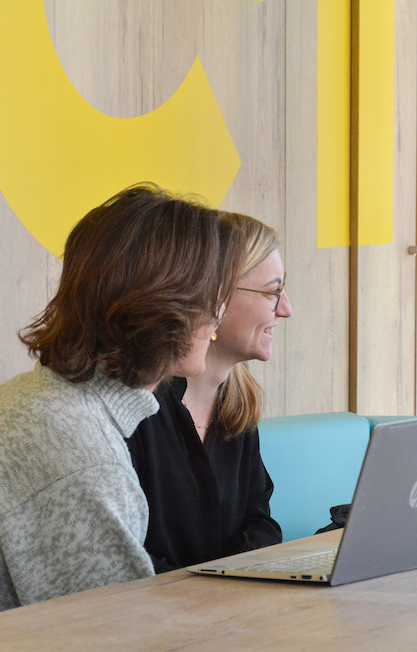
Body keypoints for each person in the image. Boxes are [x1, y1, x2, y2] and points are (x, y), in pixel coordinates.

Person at [0, 183, 241, 627]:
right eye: (211, 295)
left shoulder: (51, 406)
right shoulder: (74, 448)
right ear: (164, 305)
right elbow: (120, 636)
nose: (219, 313)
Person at [127, 212, 289, 572]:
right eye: (272, 292)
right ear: (213, 295)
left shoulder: (238, 402)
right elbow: (128, 559)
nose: (286, 309)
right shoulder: (134, 409)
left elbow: (260, 523)